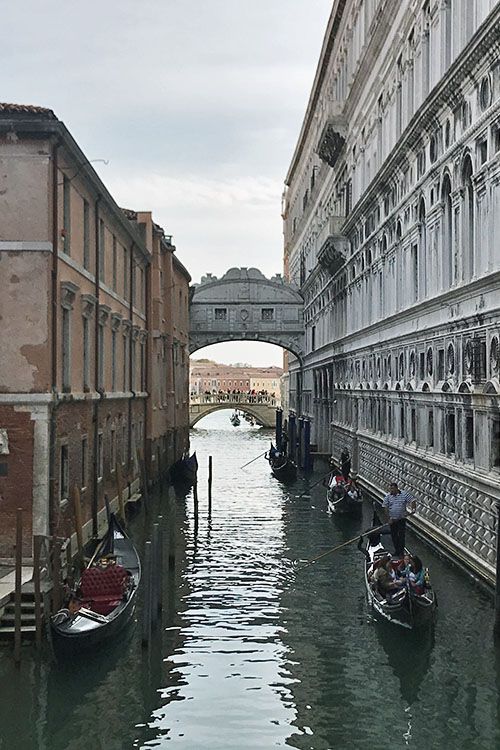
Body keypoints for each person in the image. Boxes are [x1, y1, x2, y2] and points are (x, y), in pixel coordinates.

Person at [382, 482, 416, 557]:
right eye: (390, 489)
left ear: (397, 488)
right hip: (393, 520)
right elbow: (385, 507)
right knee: (394, 536)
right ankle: (397, 551)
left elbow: (413, 500)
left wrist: (413, 509)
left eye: (393, 489)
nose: (391, 490)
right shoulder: (388, 496)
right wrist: (389, 519)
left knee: (401, 536)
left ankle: (401, 552)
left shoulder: (404, 494)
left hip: (401, 519)